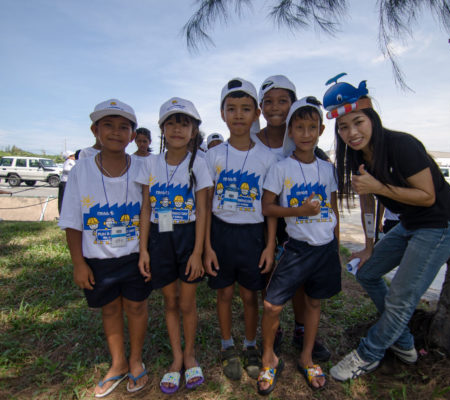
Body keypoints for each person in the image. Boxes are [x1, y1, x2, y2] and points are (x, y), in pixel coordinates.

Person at [324, 74, 450, 381]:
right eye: (343, 127)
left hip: (441, 225)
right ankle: (402, 340)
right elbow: (368, 199)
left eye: (358, 122)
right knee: (367, 271)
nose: (352, 132)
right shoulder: (357, 156)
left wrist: (380, 186)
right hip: (410, 224)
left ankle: (368, 353)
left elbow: (427, 196)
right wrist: (370, 245)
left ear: (372, 116)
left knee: (402, 297)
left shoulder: (402, 145)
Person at [59, 99, 151, 397]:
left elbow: (146, 212)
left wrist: (146, 251)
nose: (116, 132)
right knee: (110, 310)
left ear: (133, 134)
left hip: (135, 255)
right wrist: (79, 263)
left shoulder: (141, 167)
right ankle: (118, 363)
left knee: (137, 307)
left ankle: (136, 360)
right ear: (95, 130)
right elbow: (72, 220)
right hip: (98, 258)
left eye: (123, 127)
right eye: (108, 125)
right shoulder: (81, 170)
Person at [257, 97, 341, 394]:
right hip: (296, 247)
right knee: (271, 304)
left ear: (320, 130)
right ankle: (269, 358)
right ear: (290, 131)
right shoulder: (281, 168)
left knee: (314, 302)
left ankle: (306, 357)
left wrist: (337, 244)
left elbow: (333, 209)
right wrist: (298, 212)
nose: (306, 133)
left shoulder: (327, 169)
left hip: (325, 249)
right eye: (300, 127)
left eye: (312, 127)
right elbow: (267, 207)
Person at [204, 78, 278, 381]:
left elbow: (269, 207)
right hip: (221, 233)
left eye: (245, 109)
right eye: (231, 109)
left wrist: (270, 245)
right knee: (223, 294)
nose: (238, 115)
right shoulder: (213, 155)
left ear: (256, 112)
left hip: (252, 235)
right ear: (222, 114)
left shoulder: (267, 157)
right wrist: (207, 245)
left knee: (250, 295)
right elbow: (207, 204)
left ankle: (250, 345)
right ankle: (227, 345)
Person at [137, 97, 212, 394]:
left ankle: (190, 353)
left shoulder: (200, 164)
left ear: (193, 131)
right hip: (159, 238)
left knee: (187, 302)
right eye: (171, 123)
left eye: (185, 124)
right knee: (169, 302)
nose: (178, 129)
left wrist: (198, 252)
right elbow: (145, 208)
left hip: (188, 236)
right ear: (162, 129)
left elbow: (204, 210)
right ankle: (176, 357)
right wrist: (144, 249)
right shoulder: (149, 164)